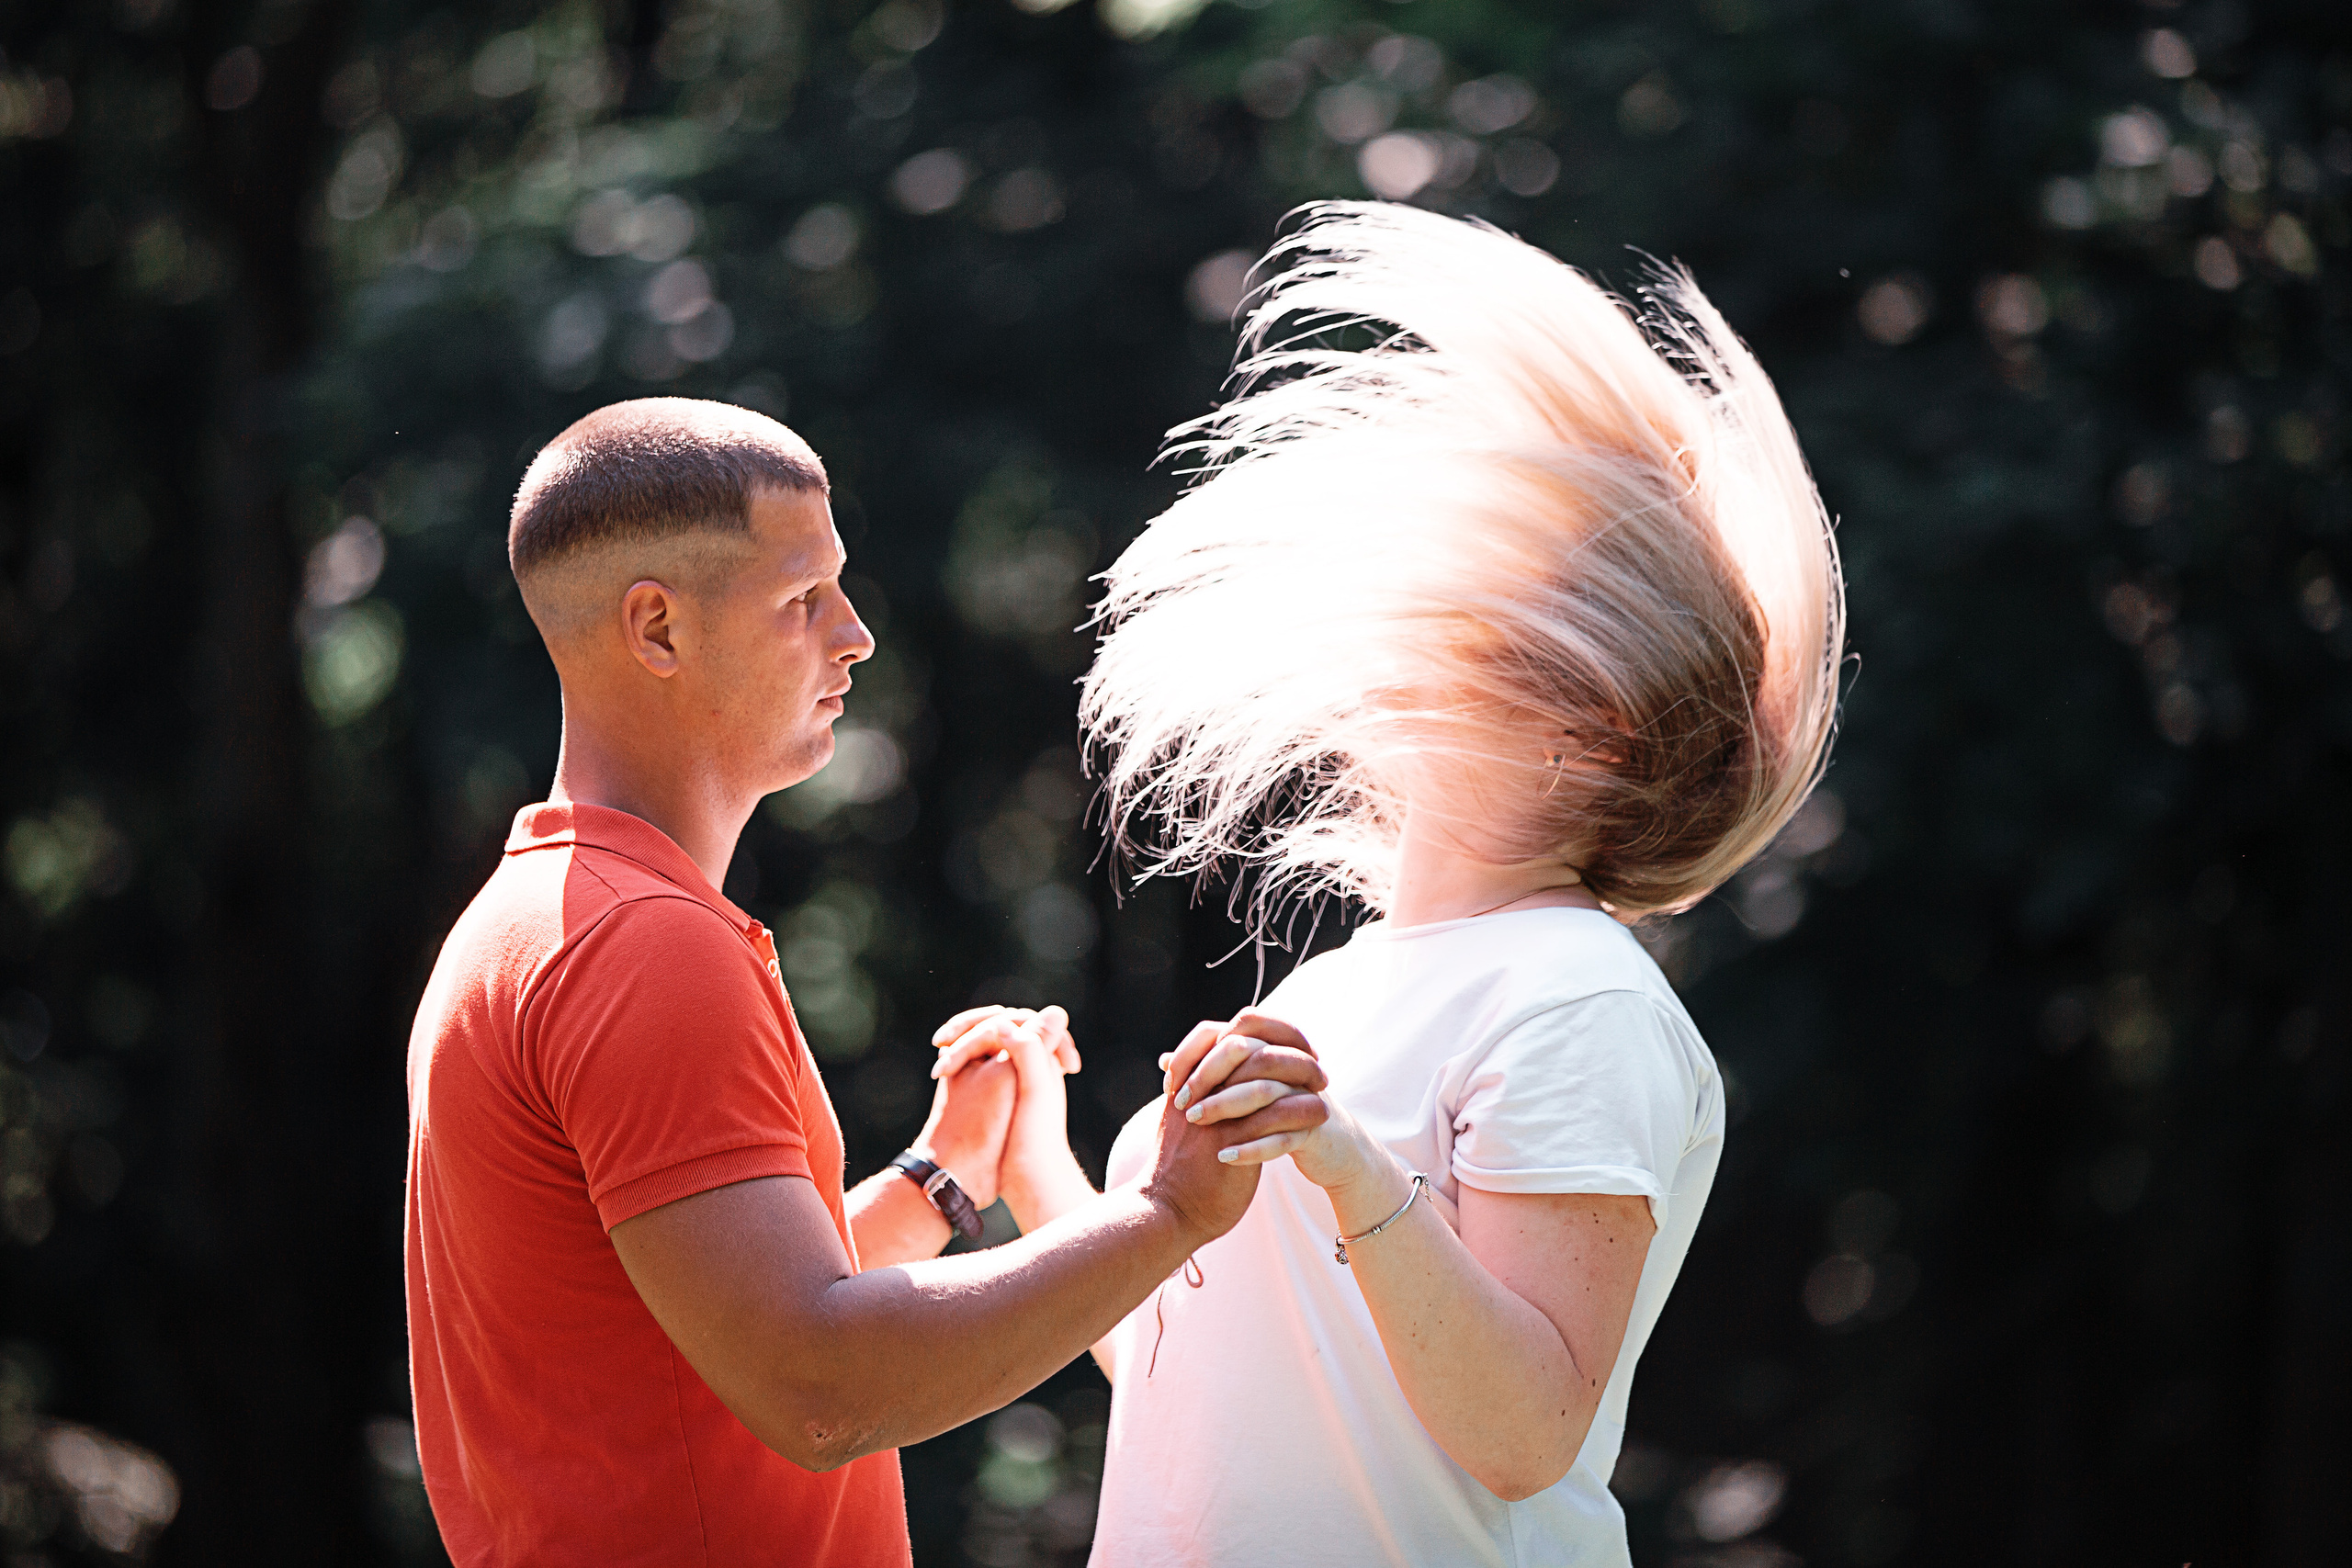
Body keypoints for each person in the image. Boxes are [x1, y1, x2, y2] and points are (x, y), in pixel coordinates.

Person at [934, 202, 1844, 1565]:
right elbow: (1196, 1369)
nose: (1406, 648)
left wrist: (1343, 1158)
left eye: (1476, 636)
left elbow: (1525, 1427)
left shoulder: (1579, 1000)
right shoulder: (1343, 986)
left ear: (1583, 737)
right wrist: (1035, 1163)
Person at [400, 398, 1329, 1567]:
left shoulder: (531, 922)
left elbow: (702, 1311)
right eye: (804, 600)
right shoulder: (642, 945)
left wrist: (947, 1178)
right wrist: (1169, 1213)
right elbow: (816, 1385)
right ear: (656, 629)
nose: (856, 635)